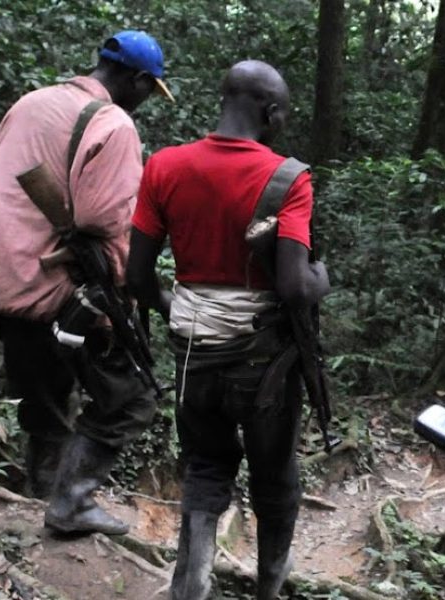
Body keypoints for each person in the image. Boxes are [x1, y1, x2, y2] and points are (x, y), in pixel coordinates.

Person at [126, 60, 330, 600]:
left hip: (194, 352)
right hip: (265, 365)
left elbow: (136, 276)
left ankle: (191, 584)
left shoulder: (165, 167)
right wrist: (321, 280)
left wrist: (179, 306)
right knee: (275, 478)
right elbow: (292, 286)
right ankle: (267, 589)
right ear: (272, 111)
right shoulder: (289, 178)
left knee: (206, 464)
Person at [0, 31, 173, 535]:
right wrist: (130, 288)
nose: (147, 100)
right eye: (150, 89)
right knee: (131, 399)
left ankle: (41, 501)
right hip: (61, 286)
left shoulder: (33, 101)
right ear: (137, 79)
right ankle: (71, 504)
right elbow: (106, 216)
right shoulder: (112, 123)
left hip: (3, 279)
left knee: (45, 401)